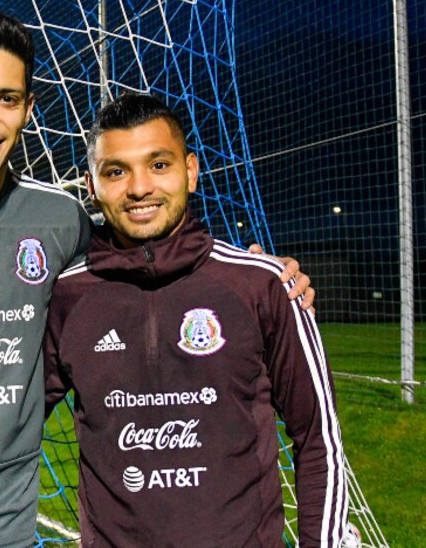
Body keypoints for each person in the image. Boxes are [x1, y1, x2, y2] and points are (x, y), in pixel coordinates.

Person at [0, 10, 312, 547]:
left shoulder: (61, 220)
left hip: (8, 530)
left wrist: (252, 273)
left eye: (5, 98)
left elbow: (140, 255)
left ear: (28, 109)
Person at [44, 93, 346, 547]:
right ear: (91, 185)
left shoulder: (262, 286)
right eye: (116, 171)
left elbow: (318, 438)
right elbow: (7, 426)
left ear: (191, 170)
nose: (139, 187)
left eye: (158, 165)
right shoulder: (67, 298)